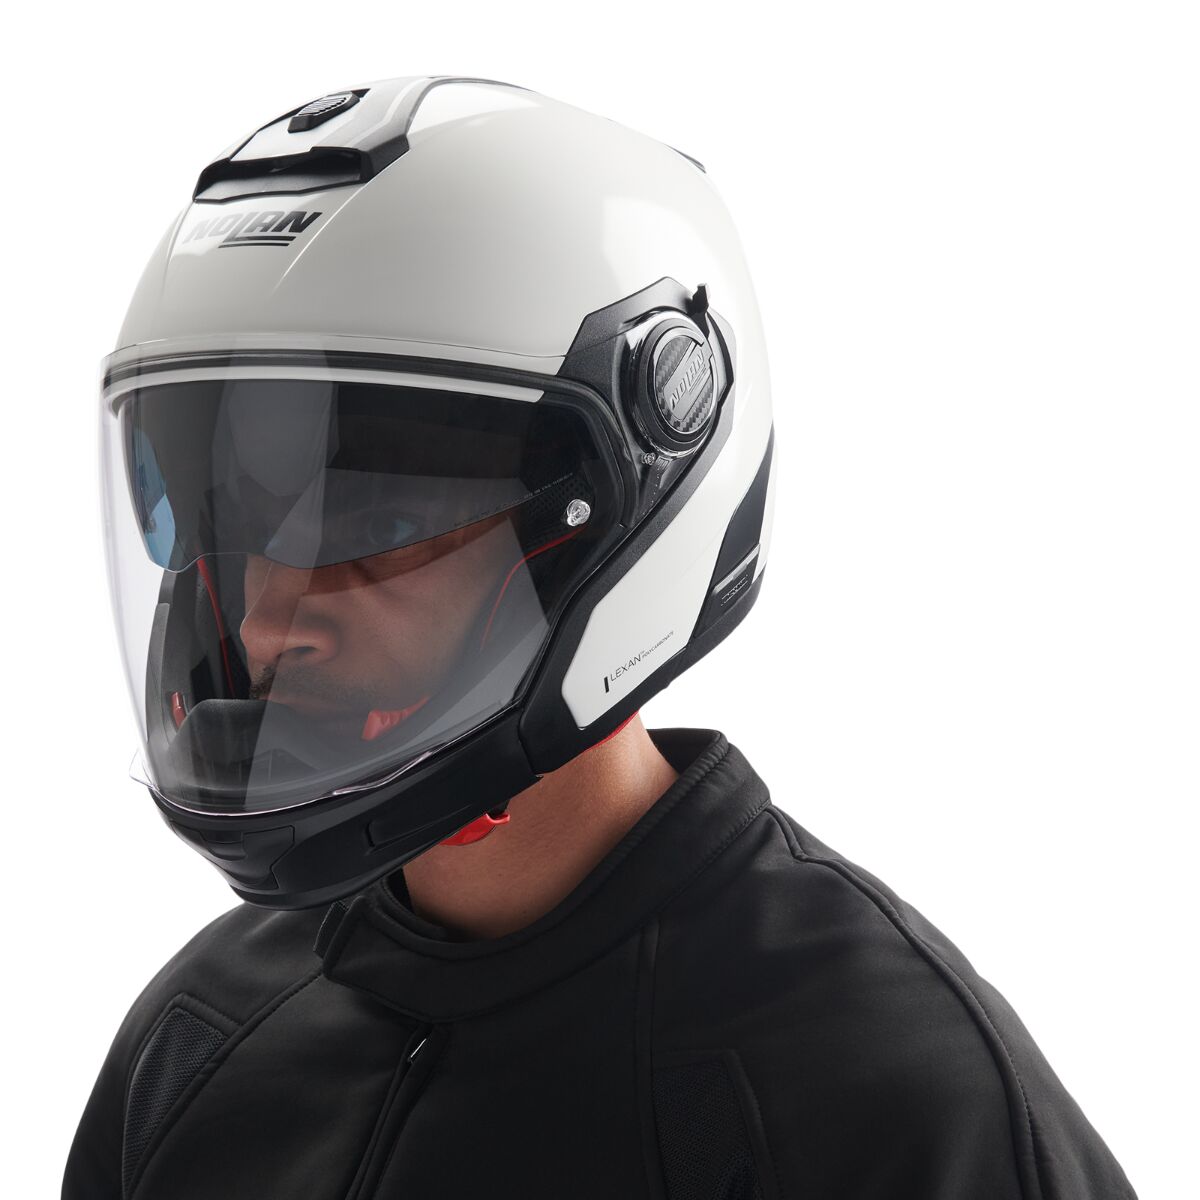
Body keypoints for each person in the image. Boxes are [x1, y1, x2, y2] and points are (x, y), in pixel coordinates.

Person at [63, 76, 1138, 1199]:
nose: (268, 622)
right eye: (232, 535)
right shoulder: (198, 1041)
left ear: (607, 517)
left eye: (371, 529)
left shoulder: (889, 1094)